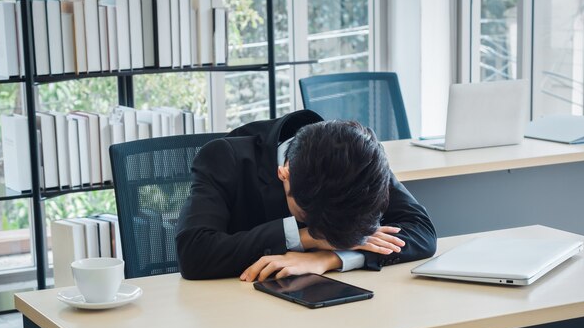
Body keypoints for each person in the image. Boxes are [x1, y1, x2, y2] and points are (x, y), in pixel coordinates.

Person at [176, 110, 436, 281]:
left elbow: (422, 232)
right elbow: (194, 253)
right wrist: (308, 238)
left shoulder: (358, 156)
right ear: (284, 174)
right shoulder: (224, 158)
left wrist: (330, 258)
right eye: (305, 217)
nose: (325, 235)